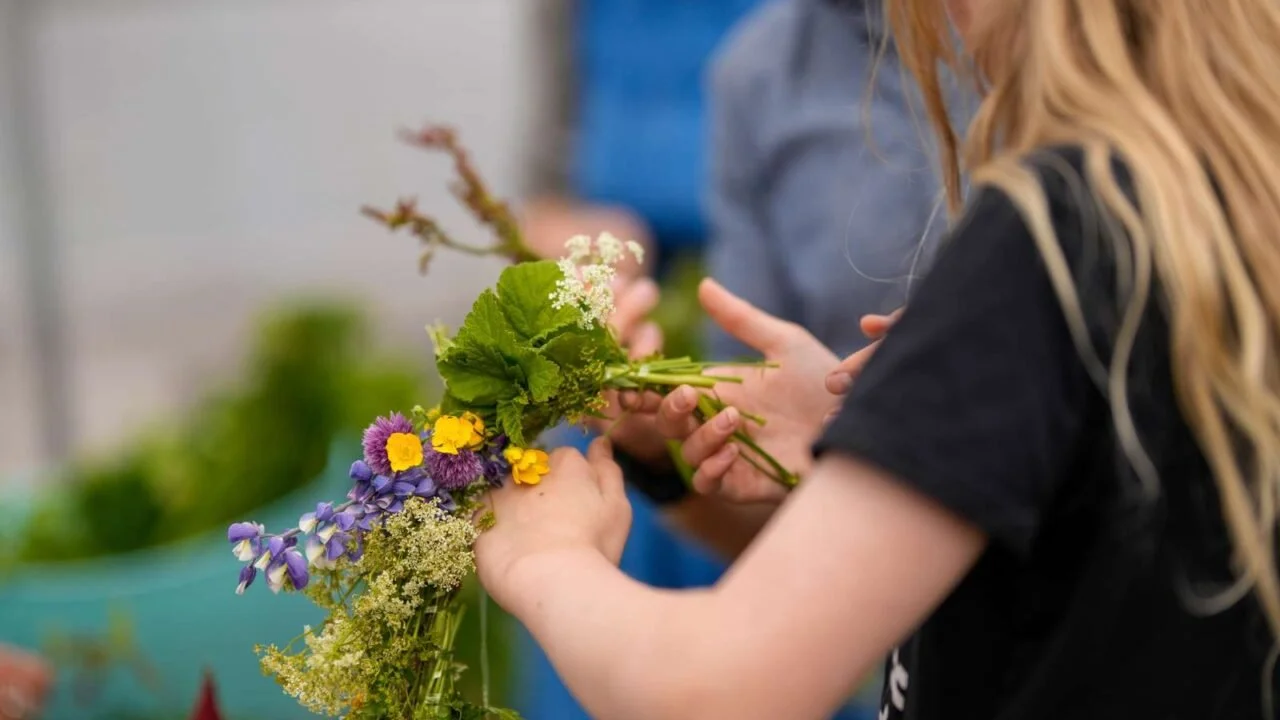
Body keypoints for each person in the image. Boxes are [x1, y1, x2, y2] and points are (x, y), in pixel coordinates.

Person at [481, 0, 1280, 718]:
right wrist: (877, 429)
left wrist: (542, 555)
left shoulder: (1044, 241)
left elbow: (717, 688)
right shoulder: (1210, 212)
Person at [516, 1, 952, 716]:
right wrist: (657, 458)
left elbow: (719, 689)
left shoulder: (1055, 92)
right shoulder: (760, 69)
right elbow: (773, 478)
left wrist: (539, 561)